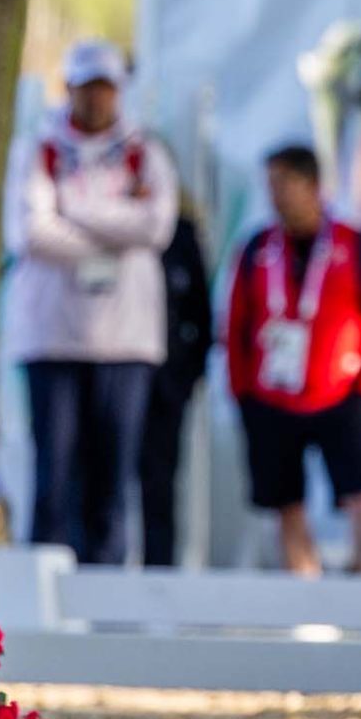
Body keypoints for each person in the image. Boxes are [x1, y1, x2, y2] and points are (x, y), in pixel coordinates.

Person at [5, 38, 178, 565]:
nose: (95, 100)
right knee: (54, 477)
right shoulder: (39, 149)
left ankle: (102, 591)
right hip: (54, 337)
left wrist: (75, 210)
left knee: (112, 480)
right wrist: (116, 225)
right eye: (85, 88)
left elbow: (158, 225)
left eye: (105, 88)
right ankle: (46, 596)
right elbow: (29, 231)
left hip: (124, 342)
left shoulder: (145, 152)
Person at [224, 144, 361, 577]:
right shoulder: (257, 249)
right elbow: (235, 323)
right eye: (271, 185)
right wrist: (243, 391)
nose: (277, 195)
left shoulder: (355, 246)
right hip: (272, 397)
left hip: (342, 395)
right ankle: (306, 601)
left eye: (285, 183)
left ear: (312, 186)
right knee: (286, 502)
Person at [139, 189, 216, 568]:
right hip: (110, 377)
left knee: (161, 484)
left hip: (166, 382)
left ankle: (159, 571)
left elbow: (201, 312)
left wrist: (188, 376)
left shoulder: (182, 233)